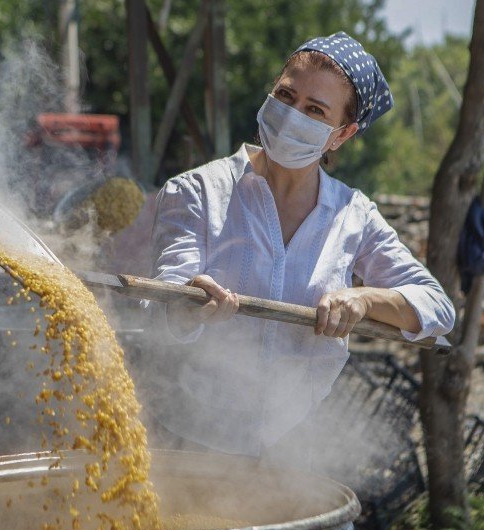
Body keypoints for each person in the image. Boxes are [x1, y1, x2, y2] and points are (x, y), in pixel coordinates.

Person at [149, 32, 456, 457]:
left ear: (341, 134)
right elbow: (162, 300)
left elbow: (437, 309)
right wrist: (185, 307)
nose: (292, 115)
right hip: (188, 441)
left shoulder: (353, 215)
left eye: (314, 110)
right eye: (286, 95)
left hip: (293, 449)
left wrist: (364, 300)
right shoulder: (197, 192)